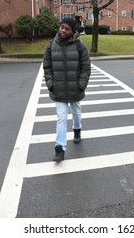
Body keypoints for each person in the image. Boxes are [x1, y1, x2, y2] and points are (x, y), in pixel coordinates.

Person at [43, 18, 91, 162]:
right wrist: (51, 84)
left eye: (67, 29)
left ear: (73, 31)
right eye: (62, 27)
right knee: (61, 117)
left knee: (76, 111)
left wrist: (81, 85)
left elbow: (85, 68)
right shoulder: (51, 46)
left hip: (75, 88)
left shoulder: (80, 46)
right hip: (58, 89)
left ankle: (77, 129)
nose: (63, 30)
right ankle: (60, 148)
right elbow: (47, 67)